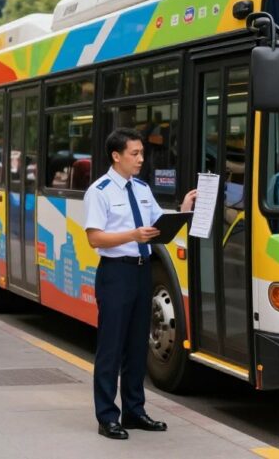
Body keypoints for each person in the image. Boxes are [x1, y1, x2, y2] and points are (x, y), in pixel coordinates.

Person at [83, 128, 197, 440]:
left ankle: (134, 410)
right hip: (116, 273)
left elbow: (159, 228)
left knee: (136, 346)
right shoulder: (100, 191)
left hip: (142, 271)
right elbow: (94, 238)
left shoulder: (143, 189)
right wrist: (132, 235)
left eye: (142, 153)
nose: (140, 159)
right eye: (134, 154)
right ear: (116, 156)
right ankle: (107, 416)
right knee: (111, 347)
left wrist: (183, 212)